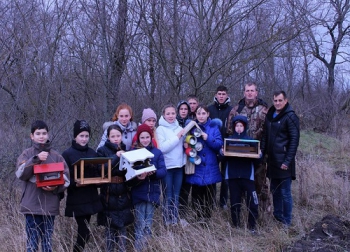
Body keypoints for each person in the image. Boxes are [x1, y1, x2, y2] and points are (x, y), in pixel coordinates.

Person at [16, 120, 70, 252]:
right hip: (31, 207)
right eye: (38, 133)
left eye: (44, 133)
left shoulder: (57, 156)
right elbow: (20, 173)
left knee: (47, 245)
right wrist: (36, 159)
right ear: (32, 136)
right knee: (32, 245)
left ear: (48, 135)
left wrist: (55, 187)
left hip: (49, 207)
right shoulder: (26, 154)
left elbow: (66, 179)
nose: (41, 136)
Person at [226, 82, 270, 212]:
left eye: (252, 90)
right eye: (247, 90)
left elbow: (268, 134)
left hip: (258, 155)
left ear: (256, 92)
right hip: (240, 156)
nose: (249, 93)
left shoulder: (264, 110)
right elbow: (229, 131)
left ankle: (262, 212)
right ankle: (243, 212)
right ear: (244, 92)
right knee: (241, 185)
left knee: (260, 184)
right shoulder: (236, 110)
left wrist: (264, 153)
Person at [62, 120, 103, 252]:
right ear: (75, 136)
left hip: (90, 198)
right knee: (84, 232)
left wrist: (98, 180)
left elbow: (98, 172)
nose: (84, 139)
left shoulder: (92, 153)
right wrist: (75, 182)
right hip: (77, 199)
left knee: (85, 232)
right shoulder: (67, 154)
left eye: (86, 136)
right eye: (81, 136)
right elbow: (65, 178)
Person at [261, 91, 300, 227]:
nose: (277, 103)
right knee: (275, 191)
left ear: (285, 100)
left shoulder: (291, 116)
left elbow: (294, 140)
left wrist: (287, 161)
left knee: (285, 193)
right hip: (272, 161)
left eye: (280, 100)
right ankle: (278, 217)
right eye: (275, 100)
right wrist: (261, 153)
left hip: (284, 162)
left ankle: (287, 221)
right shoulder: (270, 115)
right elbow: (265, 136)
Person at [129, 124, 167, 250]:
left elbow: (163, 171)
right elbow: (128, 173)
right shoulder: (133, 153)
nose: (145, 140)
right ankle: (138, 248)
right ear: (138, 139)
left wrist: (154, 172)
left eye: (147, 137)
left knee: (148, 223)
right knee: (140, 223)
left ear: (151, 137)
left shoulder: (157, 152)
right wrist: (138, 174)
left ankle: (148, 247)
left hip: (152, 193)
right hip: (138, 193)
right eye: (142, 137)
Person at [97, 124, 134, 252]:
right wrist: (116, 157)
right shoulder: (101, 151)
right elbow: (102, 170)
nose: (116, 138)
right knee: (110, 228)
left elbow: (128, 172)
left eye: (118, 136)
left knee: (123, 228)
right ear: (108, 137)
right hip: (109, 192)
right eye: (113, 136)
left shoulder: (126, 150)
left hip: (123, 192)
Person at [221, 115, 259, 232]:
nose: (238, 128)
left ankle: (252, 227)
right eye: (236, 126)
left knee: (253, 203)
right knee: (234, 203)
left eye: (241, 126)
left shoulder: (251, 142)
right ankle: (236, 226)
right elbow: (222, 160)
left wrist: (259, 155)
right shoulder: (228, 141)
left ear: (245, 127)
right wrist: (221, 153)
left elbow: (258, 160)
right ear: (233, 127)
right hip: (233, 177)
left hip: (248, 177)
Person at [186, 105, 223, 221]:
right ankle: (197, 217)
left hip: (210, 166)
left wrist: (208, 137)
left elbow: (218, 145)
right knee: (197, 194)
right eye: (198, 113)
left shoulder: (214, 127)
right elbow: (186, 142)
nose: (201, 116)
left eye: (203, 113)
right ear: (195, 115)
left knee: (209, 194)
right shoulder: (191, 127)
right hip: (196, 165)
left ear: (208, 114)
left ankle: (207, 219)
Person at [155, 104, 186, 226]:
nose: (171, 116)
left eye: (173, 113)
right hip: (167, 167)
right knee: (168, 195)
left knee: (176, 195)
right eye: (168, 114)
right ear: (163, 115)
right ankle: (166, 220)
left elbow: (181, 148)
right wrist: (177, 137)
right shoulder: (160, 129)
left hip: (179, 167)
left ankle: (174, 220)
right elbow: (162, 148)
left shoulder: (179, 127)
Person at [208, 85, 232, 209]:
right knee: (212, 174)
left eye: (223, 94)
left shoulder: (232, 110)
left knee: (225, 176)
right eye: (219, 94)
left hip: (227, 148)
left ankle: (223, 202)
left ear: (227, 95)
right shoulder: (209, 109)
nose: (221, 96)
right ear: (216, 95)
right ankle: (211, 200)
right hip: (212, 147)